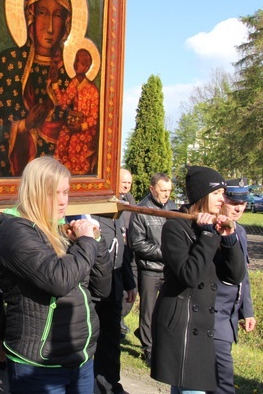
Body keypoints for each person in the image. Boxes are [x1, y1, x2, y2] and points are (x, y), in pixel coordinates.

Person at [0, 156, 111, 393]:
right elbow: (58, 281)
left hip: (81, 356)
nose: (62, 201)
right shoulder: (14, 229)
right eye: (53, 193)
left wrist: (97, 243)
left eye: (66, 192)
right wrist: (86, 242)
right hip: (39, 362)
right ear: (35, 191)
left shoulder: (62, 227)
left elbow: (102, 288)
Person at [150, 166, 246, 394]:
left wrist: (229, 241)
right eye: (216, 193)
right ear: (202, 195)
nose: (222, 198)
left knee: (189, 388)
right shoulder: (175, 227)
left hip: (206, 326)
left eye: (223, 193)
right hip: (181, 324)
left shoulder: (215, 225)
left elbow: (234, 276)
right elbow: (190, 275)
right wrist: (209, 236)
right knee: (189, 387)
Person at [0, 0, 73, 177]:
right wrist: (24, 125)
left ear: (66, 22)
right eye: (42, 13)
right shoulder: (6, 64)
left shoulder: (68, 79)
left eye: (57, 16)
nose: (49, 27)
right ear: (30, 16)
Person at [93, 178, 137, 393]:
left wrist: (130, 283)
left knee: (111, 337)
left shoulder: (118, 208)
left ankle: (110, 384)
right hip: (93, 283)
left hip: (116, 280)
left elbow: (122, 247)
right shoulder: (91, 209)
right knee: (91, 337)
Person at [212, 179, 256, 394]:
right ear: (222, 200)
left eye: (244, 203)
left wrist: (247, 311)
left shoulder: (240, 231)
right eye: (233, 202)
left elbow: (243, 275)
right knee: (223, 383)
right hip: (213, 316)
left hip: (229, 318)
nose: (239, 208)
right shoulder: (213, 229)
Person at [128, 172, 176, 364]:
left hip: (170, 270)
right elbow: (137, 243)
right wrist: (165, 252)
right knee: (148, 311)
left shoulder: (173, 208)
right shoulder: (141, 210)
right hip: (149, 270)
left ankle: (163, 344)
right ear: (152, 189)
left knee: (166, 311)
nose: (166, 194)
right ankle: (148, 348)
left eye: (169, 190)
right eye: (163, 190)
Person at [52, 48, 100, 175]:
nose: (77, 64)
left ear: (87, 67)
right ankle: (60, 172)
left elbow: (94, 117)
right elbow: (63, 103)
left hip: (86, 129)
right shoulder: (73, 83)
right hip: (73, 124)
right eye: (76, 61)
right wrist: (55, 83)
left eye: (81, 63)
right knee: (63, 134)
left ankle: (78, 173)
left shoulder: (92, 89)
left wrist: (82, 126)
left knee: (75, 141)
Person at [117, 168, 136, 338]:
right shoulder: (114, 201)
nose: (127, 185)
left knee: (130, 292)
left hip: (130, 251)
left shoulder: (131, 201)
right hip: (117, 251)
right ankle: (118, 322)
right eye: (124, 182)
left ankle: (120, 320)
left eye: (129, 183)